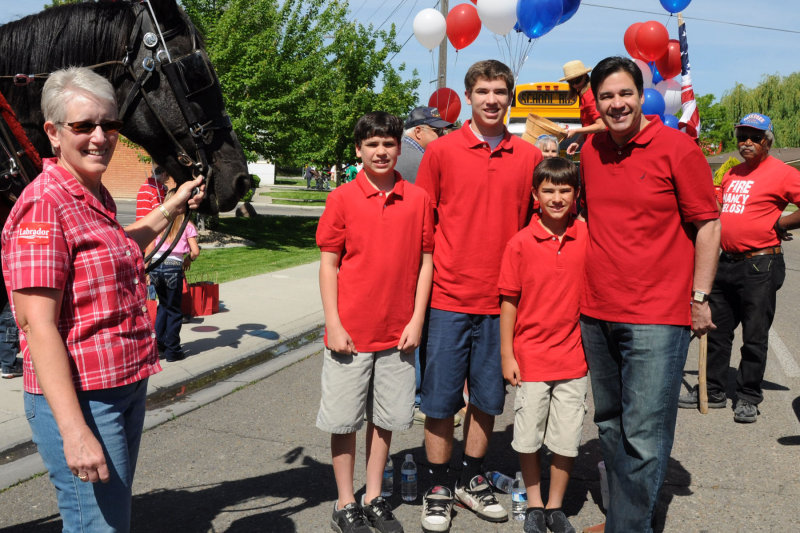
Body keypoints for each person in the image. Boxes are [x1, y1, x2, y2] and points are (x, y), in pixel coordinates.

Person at [0, 66, 204, 532]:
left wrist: (172, 205)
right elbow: (37, 324)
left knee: (111, 518)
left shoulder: (93, 194)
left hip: (122, 386)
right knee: (99, 526)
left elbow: (119, 243)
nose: (100, 137)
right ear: (52, 132)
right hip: (84, 399)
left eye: (109, 125)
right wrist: (74, 432)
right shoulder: (44, 205)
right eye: (83, 125)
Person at [578, 56, 720, 533]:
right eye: (606, 96)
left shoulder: (677, 149)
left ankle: (629, 526)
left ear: (641, 96)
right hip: (597, 311)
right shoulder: (591, 150)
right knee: (610, 426)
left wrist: (700, 297)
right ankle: (625, 517)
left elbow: (708, 226)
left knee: (645, 433)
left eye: (625, 94)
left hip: (658, 316)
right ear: (595, 102)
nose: (616, 104)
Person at [415, 59, 543, 532]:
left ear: (511, 98)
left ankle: (470, 478)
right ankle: (436, 485)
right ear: (468, 97)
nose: (492, 99)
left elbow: (539, 229)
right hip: (448, 298)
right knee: (440, 401)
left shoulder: (529, 158)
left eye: (500, 91)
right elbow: (422, 225)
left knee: (488, 399)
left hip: (503, 303)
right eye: (483, 91)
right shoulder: (441, 153)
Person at [315, 111, 434, 533]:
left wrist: (417, 319)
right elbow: (329, 265)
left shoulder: (418, 199)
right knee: (344, 420)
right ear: (358, 150)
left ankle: (372, 496)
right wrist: (335, 322)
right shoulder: (341, 198)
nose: (381, 151)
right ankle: (345, 501)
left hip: (398, 334)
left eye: (388, 144)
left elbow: (426, 262)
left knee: (385, 419)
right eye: (372, 145)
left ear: (400, 148)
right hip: (350, 332)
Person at [679, 113, 800, 423]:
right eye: (742, 136)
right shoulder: (731, 173)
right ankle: (714, 391)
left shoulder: (782, 173)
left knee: (755, 334)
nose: (747, 142)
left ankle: (748, 396)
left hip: (760, 264)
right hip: (725, 262)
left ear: (767, 141)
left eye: (755, 137)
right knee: (716, 331)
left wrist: (780, 222)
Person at [499, 157, 588, 533]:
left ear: (576, 194)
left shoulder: (587, 236)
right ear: (535, 194)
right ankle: (534, 503)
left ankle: (555, 506)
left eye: (564, 190)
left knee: (567, 439)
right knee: (529, 436)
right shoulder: (520, 243)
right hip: (531, 357)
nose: (556, 197)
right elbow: (509, 301)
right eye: (548, 190)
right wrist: (507, 353)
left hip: (573, 361)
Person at [150, 190, 201, 363]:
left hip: (156, 266)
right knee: (174, 311)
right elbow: (195, 251)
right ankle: (173, 349)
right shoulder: (187, 225)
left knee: (163, 305)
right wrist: (188, 260)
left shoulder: (162, 222)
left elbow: (151, 245)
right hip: (173, 268)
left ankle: (158, 346)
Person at [395, 106, 452, 184]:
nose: (443, 135)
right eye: (438, 131)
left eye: (443, 131)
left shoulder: (395, 151)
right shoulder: (424, 161)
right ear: (418, 132)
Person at [559, 60, 606, 155]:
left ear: (585, 76)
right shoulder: (583, 94)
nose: (575, 84)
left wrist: (575, 131)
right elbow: (589, 125)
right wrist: (578, 141)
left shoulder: (589, 95)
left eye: (577, 80)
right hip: (594, 145)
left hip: (599, 148)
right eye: (571, 82)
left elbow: (601, 125)